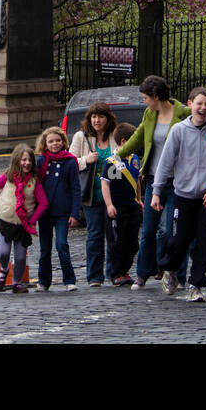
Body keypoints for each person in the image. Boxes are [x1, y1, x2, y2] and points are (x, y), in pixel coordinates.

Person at [152, 86, 206, 302]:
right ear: (190, 104)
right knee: (179, 239)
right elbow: (165, 162)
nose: (203, 108)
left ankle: (195, 283)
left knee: (205, 242)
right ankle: (168, 269)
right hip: (183, 195)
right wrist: (157, 191)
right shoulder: (178, 131)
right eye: (199, 103)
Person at [115, 75, 188, 289]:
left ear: (156, 97)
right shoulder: (149, 114)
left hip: (176, 181)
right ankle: (142, 274)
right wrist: (120, 154)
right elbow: (139, 136)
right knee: (147, 231)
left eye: (146, 97)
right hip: (153, 179)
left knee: (169, 230)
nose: (144, 101)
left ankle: (175, 272)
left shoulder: (182, 113)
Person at [0, 144, 48, 293]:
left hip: (23, 224)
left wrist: (32, 221)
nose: (26, 163)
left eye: (29, 160)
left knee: (20, 258)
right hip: (4, 221)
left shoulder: (34, 181)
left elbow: (44, 203)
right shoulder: (8, 176)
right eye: (23, 160)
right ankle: (4, 269)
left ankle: (17, 282)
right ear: (16, 161)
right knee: (3, 253)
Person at [69, 102, 117, 286]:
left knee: (113, 234)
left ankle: (113, 272)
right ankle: (94, 276)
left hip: (112, 195)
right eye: (93, 117)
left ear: (108, 118)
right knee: (95, 234)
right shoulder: (81, 137)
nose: (97, 120)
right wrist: (85, 160)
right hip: (90, 194)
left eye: (101, 116)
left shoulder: (114, 136)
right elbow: (70, 161)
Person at [35, 126, 81, 291]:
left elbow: (76, 189)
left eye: (58, 141)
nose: (55, 144)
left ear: (63, 142)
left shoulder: (69, 162)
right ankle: (43, 281)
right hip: (45, 213)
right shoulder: (40, 161)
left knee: (62, 245)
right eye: (51, 141)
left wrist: (75, 213)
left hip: (63, 212)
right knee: (45, 249)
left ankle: (69, 280)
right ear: (45, 144)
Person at [102, 123, 142, 286]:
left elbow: (137, 181)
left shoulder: (134, 159)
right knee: (117, 242)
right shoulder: (112, 161)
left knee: (132, 242)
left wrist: (139, 200)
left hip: (131, 206)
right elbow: (105, 184)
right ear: (125, 141)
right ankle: (116, 273)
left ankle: (125, 270)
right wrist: (109, 205)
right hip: (117, 208)